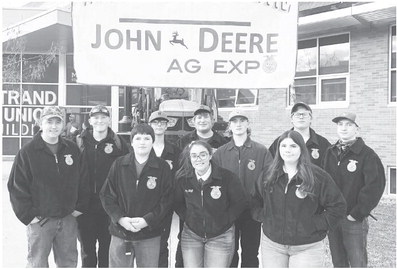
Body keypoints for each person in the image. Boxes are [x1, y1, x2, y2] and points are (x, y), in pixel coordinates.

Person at [8, 106, 90, 267]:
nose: (54, 126)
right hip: (40, 221)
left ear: (63, 124)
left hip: (68, 219)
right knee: (37, 263)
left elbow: (83, 180)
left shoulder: (72, 149)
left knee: (68, 262)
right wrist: (28, 216)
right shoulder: (27, 152)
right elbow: (16, 187)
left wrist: (79, 207)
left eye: (57, 122)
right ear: (41, 123)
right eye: (49, 121)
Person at [251, 130, 346, 268]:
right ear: (278, 149)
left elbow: (338, 206)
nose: (287, 150)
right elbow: (255, 200)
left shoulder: (317, 176)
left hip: (307, 246)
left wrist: (316, 224)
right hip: (273, 245)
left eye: (293, 146)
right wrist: (265, 217)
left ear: (301, 149)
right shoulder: (268, 174)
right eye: (283, 146)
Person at [100, 123, 173, 267]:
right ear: (132, 142)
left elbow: (167, 199)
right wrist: (120, 219)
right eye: (138, 138)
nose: (142, 143)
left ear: (153, 141)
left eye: (147, 138)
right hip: (120, 232)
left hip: (149, 233)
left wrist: (147, 220)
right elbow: (106, 195)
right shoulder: (119, 164)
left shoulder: (162, 167)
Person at [323, 112, 386, 267]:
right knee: (338, 261)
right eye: (340, 124)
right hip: (333, 218)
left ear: (357, 130)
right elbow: (324, 182)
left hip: (353, 220)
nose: (343, 128)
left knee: (357, 261)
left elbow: (374, 186)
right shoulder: (330, 152)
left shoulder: (367, 155)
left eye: (349, 124)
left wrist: (357, 213)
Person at [212, 110, 273, 267]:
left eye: (242, 120)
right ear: (230, 126)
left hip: (252, 212)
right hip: (229, 212)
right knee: (229, 254)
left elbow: (269, 180)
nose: (238, 124)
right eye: (234, 121)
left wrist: (261, 206)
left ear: (247, 124)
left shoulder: (261, 151)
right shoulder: (220, 153)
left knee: (251, 253)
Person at [174, 140, 248, 267]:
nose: (198, 159)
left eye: (203, 154)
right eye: (194, 155)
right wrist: (189, 218)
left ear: (210, 155)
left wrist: (225, 220)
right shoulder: (183, 179)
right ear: (190, 158)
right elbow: (177, 203)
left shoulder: (227, 177)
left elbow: (239, 203)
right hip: (192, 235)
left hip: (220, 235)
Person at [75, 105, 130, 267]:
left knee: (107, 250)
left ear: (109, 119)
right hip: (84, 208)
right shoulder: (79, 141)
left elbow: (127, 174)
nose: (100, 120)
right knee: (87, 251)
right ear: (90, 120)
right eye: (96, 117)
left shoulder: (119, 143)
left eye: (103, 117)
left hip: (109, 207)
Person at [175, 104, 228, 267]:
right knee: (186, 248)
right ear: (193, 121)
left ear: (213, 120)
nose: (202, 120)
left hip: (215, 201)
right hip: (190, 202)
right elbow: (180, 170)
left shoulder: (224, 142)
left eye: (206, 116)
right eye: (199, 117)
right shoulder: (183, 142)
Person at [148, 110, 181, 267]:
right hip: (146, 203)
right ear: (150, 125)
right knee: (146, 243)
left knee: (162, 242)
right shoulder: (143, 149)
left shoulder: (175, 151)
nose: (159, 125)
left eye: (162, 122)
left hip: (167, 204)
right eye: (155, 122)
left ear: (167, 126)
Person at [269, 102, 330, 167]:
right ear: (292, 119)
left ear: (311, 118)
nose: (301, 117)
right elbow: (270, 166)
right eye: (297, 114)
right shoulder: (280, 142)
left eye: (304, 114)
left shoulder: (323, 143)